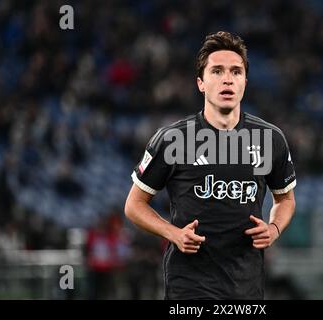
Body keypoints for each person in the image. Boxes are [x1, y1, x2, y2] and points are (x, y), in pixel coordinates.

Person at [124, 31, 296, 299]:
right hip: (190, 286)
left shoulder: (269, 139)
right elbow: (134, 205)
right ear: (200, 83)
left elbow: (285, 199)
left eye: (236, 72)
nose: (227, 78)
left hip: (246, 286)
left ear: (245, 82)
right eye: (217, 71)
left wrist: (274, 229)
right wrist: (174, 234)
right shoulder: (174, 139)